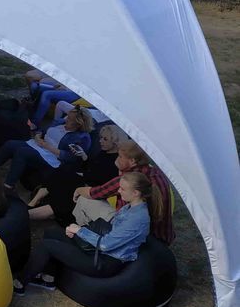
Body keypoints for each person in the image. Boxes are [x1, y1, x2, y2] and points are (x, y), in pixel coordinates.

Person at [14, 172, 156, 294]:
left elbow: (106, 245)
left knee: (47, 246)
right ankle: (48, 279)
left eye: (123, 189)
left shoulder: (138, 219)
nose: (118, 191)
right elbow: (112, 230)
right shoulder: (129, 208)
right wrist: (80, 232)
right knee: (52, 232)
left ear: (136, 193)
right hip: (99, 250)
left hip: (104, 261)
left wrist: (80, 231)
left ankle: (20, 284)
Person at [70, 141, 175, 244]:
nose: (117, 159)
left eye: (120, 156)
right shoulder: (156, 172)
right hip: (163, 236)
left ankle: (81, 235)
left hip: (137, 237)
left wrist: (78, 190)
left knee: (84, 200)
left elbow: (95, 193)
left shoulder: (130, 179)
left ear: (132, 161)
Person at [27, 124, 126, 222]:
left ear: (115, 142)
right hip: (85, 179)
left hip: (92, 188)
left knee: (66, 185)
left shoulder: (116, 162)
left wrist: (83, 174)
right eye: (101, 138)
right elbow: (92, 167)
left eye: (105, 139)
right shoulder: (104, 151)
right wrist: (84, 156)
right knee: (62, 171)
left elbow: (101, 180)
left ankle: (29, 215)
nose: (100, 141)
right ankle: (34, 201)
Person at [0, 106, 93, 190]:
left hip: (52, 158)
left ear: (78, 124)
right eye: (67, 116)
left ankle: (8, 186)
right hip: (39, 145)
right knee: (10, 144)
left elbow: (71, 158)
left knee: (22, 152)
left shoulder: (82, 138)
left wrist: (47, 146)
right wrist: (37, 136)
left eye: (70, 119)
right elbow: (42, 130)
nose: (66, 119)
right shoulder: (60, 122)